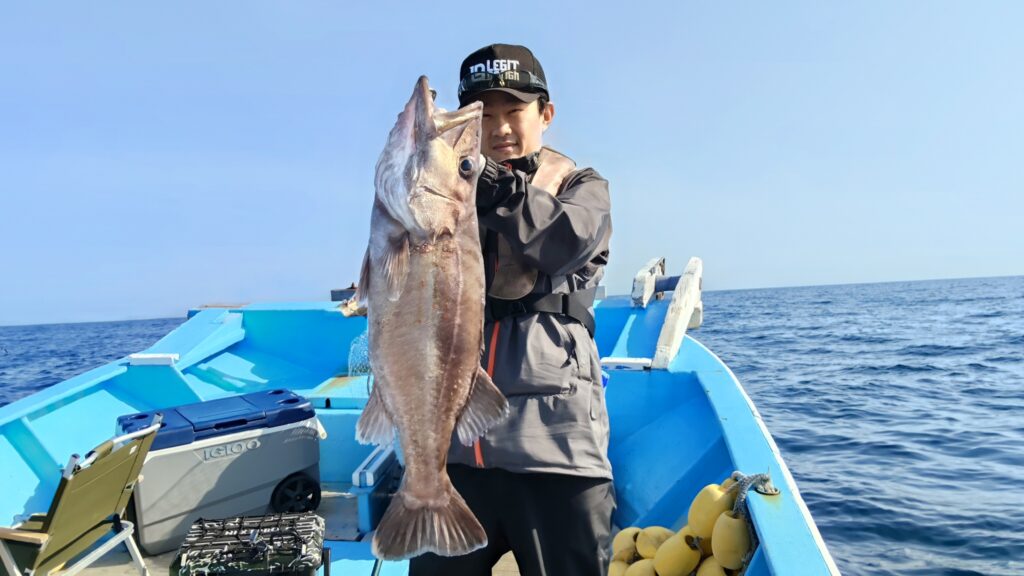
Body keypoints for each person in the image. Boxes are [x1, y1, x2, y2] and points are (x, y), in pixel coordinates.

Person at [409, 43, 615, 576]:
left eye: (514, 111)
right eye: (484, 116)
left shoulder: (581, 187)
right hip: (458, 453)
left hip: (557, 451)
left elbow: (566, 241)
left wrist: (492, 186)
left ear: (545, 114)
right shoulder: (447, 197)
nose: (499, 128)